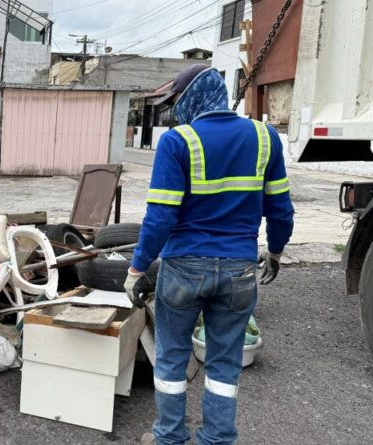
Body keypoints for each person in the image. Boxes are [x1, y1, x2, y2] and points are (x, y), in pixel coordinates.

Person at [125, 65, 294, 445]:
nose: (173, 111)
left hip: (184, 266)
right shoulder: (265, 138)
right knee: (224, 363)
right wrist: (277, 251)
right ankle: (216, 439)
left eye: (176, 102)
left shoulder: (177, 142)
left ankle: (169, 437)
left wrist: (137, 268)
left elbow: (161, 216)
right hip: (239, 270)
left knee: (170, 358)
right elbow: (281, 210)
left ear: (192, 98)